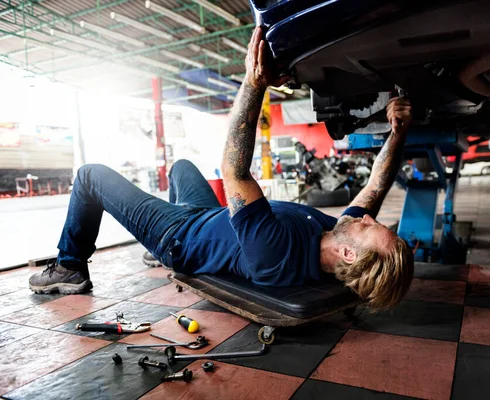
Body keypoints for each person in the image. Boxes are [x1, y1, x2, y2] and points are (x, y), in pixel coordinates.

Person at [29, 26, 414, 310]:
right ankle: (150, 247)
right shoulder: (337, 235)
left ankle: (70, 267)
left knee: (90, 175)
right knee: (181, 166)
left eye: (371, 227)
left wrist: (254, 82)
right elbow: (375, 188)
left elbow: (235, 171)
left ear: (349, 255)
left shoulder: (276, 254)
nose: (369, 219)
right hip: (210, 217)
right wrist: (397, 131)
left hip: (178, 236)